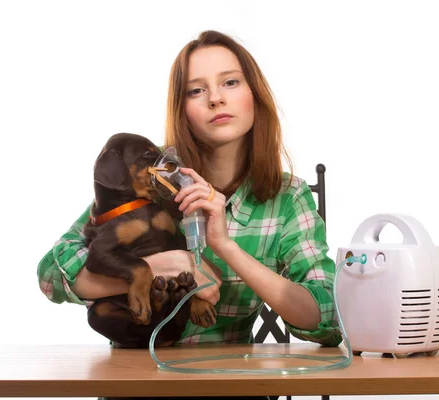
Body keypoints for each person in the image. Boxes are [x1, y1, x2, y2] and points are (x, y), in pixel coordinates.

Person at [37, 30, 342, 400]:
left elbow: (327, 319)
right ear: (182, 109)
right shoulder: (153, 175)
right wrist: (169, 265)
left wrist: (224, 246)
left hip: (232, 389)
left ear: (255, 96)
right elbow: (53, 275)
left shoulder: (286, 197)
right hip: (139, 388)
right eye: (196, 90)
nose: (216, 98)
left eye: (230, 82)